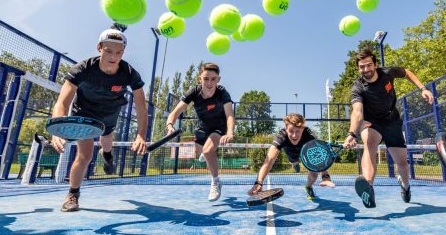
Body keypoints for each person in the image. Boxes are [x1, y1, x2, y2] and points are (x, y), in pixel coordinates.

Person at [50, 28, 148, 212]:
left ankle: (107, 155)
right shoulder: (83, 68)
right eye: (109, 51)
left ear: (123, 53)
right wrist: (58, 128)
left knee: (107, 140)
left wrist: (141, 136)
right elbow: (62, 102)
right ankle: (72, 195)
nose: (114, 56)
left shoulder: (129, 73)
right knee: (85, 155)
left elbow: (142, 108)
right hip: (85, 113)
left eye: (119, 52)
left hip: (110, 113)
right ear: (99, 48)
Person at [342, 47, 433, 208]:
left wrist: (423, 88)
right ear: (358, 68)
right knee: (369, 143)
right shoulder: (358, 87)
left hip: (392, 121)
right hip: (372, 123)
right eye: (362, 66)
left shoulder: (388, 73)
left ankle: (405, 186)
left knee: (402, 164)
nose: (365, 69)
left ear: (375, 64)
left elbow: (406, 72)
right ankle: (368, 187)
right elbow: (357, 111)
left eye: (368, 65)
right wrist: (351, 134)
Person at [165, 62, 235, 201]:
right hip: (203, 127)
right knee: (201, 152)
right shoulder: (194, 92)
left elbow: (229, 115)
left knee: (208, 151)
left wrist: (230, 132)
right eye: (206, 78)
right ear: (200, 78)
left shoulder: (222, 93)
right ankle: (206, 155)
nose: (209, 82)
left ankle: (216, 181)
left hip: (219, 127)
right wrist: (169, 125)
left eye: (213, 79)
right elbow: (175, 111)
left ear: (218, 79)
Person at [247, 113, 336, 200]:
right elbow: (268, 161)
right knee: (294, 163)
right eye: (291, 131)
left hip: (305, 153)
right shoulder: (281, 137)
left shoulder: (309, 137)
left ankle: (308, 187)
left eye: (297, 131)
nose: (294, 135)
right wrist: (258, 183)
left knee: (314, 174)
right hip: (291, 155)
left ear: (302, 128)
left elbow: (319, 159)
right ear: (286, 129)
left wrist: (325, 178)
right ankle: (294, 164)